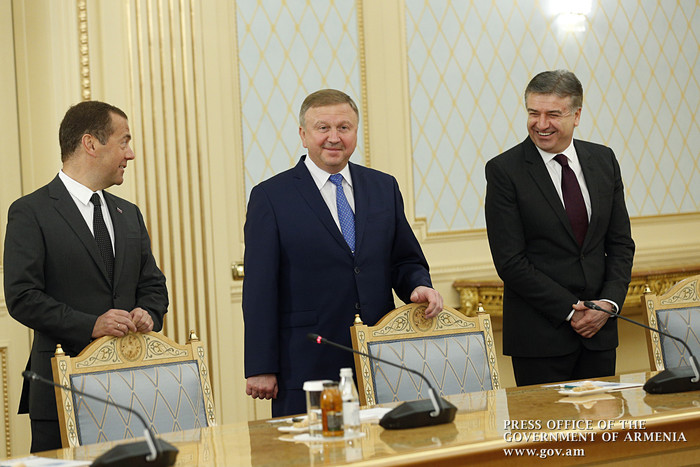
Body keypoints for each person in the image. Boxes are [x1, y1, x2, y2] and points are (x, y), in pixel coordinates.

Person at [243, 89, 443, 416]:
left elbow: (404, 259)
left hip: (380, 358)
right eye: (323, 128)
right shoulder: (271, 197)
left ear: (355, 132)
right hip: (306, 362)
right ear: (303, 135)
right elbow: (259, 288)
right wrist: (261, 365)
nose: (334, 138)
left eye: (344, 128)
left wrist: (418, 285)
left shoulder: (383, 187)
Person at [3, 100, 169, 452]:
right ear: (90, 143)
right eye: (124, 142)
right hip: (62, 388)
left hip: (131, 389)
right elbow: (22, 297)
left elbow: (153, 284)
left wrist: (148, 312)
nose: (131, 154)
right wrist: (91, 324)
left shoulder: (129, 214)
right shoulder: (30, 212)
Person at [484, 70, 635, 386]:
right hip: (540, 339)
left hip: (599, 334)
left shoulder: (604, 160)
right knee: (546, 421)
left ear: (576, 115)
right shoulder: (504, 171)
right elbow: (510, 261)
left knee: (604, 418)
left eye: (553, 114)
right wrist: (571, 311)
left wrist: (608, 304)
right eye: (533, 113)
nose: (541, 124)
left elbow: (620, 243)